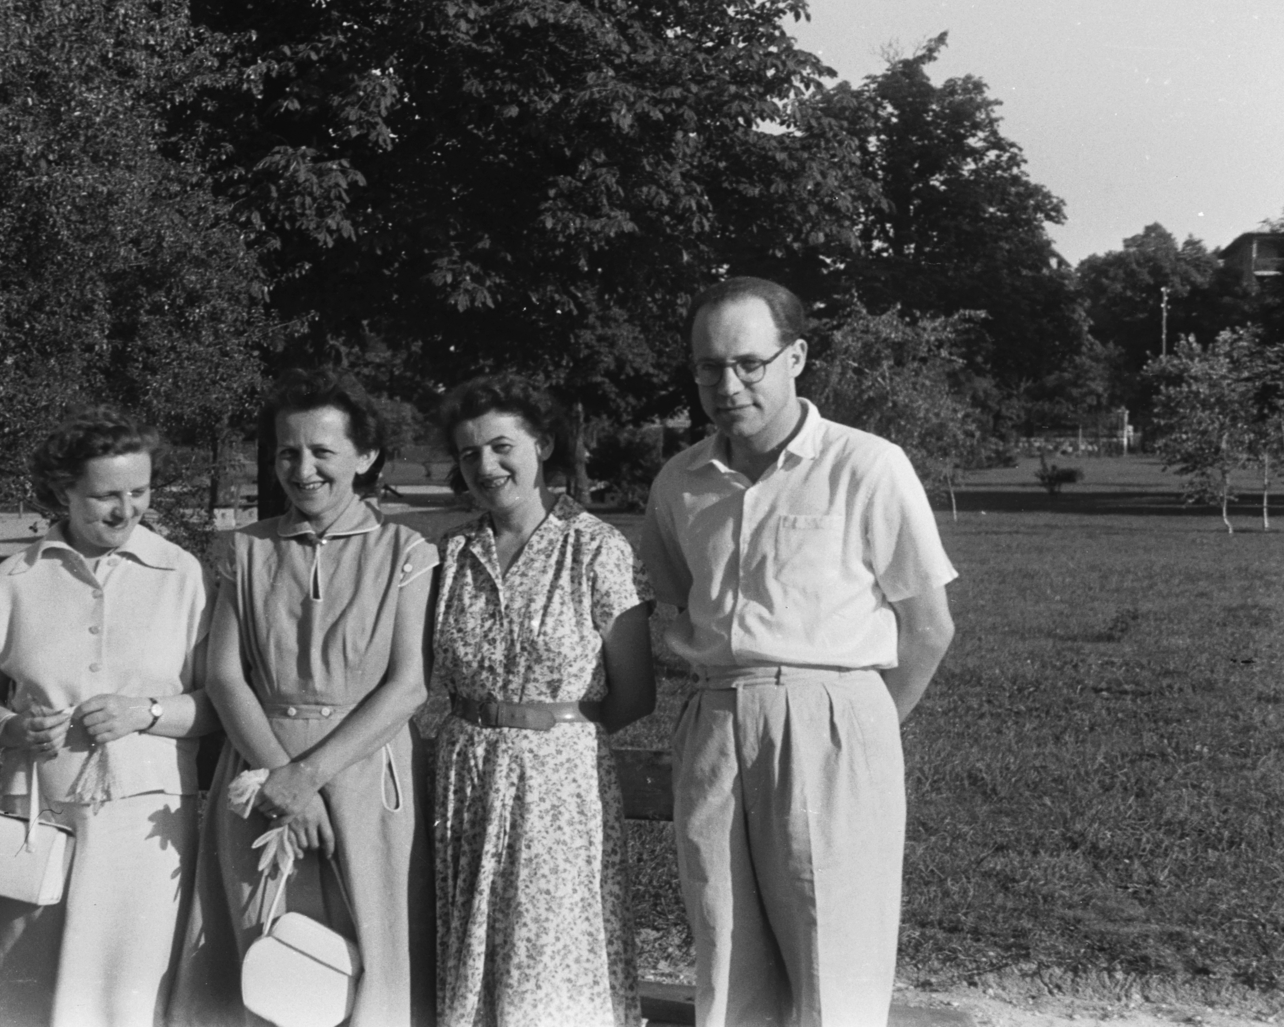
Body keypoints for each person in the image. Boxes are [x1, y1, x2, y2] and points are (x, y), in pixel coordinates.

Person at [640, 277, 958, 1027]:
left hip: (835, 720)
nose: (728, 384)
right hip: (718, 718)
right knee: (722, 942)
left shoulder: (866, 465)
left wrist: (864, 727)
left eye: (749, 362)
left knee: (833, 950)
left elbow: (929, 624)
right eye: (709, 367)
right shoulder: (678, 484)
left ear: (797, 356)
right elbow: (683, 601)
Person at [171, 368, 437, 1027]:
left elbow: (409, 685)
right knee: (265, 952)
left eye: (323, 451)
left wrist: (311, 777)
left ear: (365, 457)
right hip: (259, 779)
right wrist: (282, 782)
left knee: (367, 954)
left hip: (368, 777)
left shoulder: (406, 550)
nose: (303, 467)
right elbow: (226, 677)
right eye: (288, 451)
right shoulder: (246, 550)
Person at [0, 406, 215, 1027]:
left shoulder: (181, 574)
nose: (127, 511)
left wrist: (147, 711)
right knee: (36, 989)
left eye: (140, 491)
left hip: (147, 823)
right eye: (105, 495)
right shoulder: (15, 579)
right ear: (61, 490)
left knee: (131, 990)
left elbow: (215, 705)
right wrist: (10, 726)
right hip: (40, 818)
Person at [430, 375, 654, 1027]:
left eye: (502, 447)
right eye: (470, 454)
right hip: (465, 778)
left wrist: (555, 734)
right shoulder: (452, 553)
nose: (487, 466)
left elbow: (635, 693)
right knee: (473, 957)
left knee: (548, 961)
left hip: (558, 786)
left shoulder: (596, 548)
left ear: (543, 445)